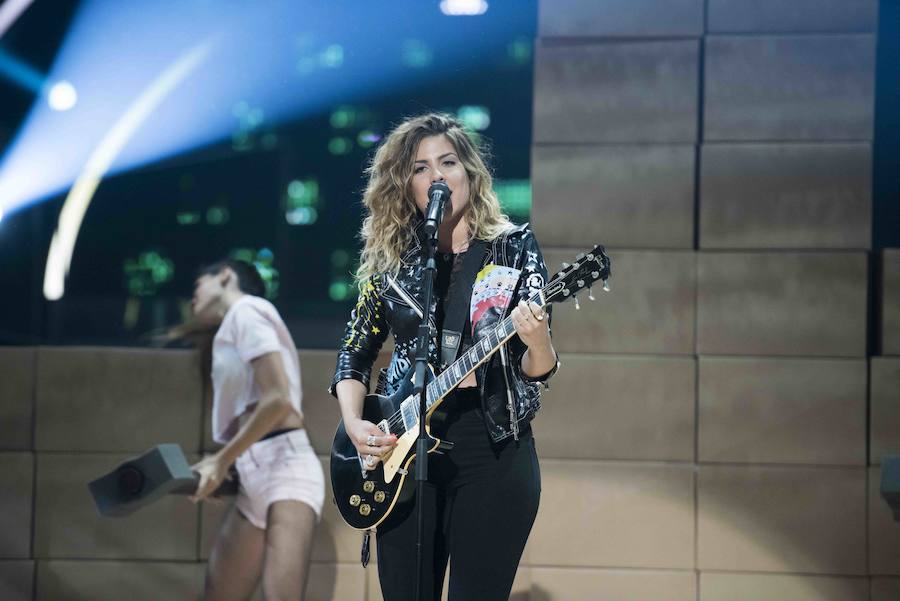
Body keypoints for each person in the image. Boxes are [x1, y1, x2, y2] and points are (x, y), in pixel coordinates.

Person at [331, 113, 560, 601]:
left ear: (469, 173)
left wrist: (537, 339)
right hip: (404, 451)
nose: (437, 176)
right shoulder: (391, 264)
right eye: (420, 168)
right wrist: (354, 422)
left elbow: (536, 368)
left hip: (493, 446)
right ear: (406, 186)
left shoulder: (513, 248)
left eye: (448, 162)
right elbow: (355, 350)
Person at [187, 259, 324, 601]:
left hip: (287, 469)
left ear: (224, 276)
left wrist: (220, 462)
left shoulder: (246, 311)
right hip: (254, 469)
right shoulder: (234, 326)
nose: (192, 298)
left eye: (196, 287)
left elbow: (278, 400)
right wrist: (230, 466)